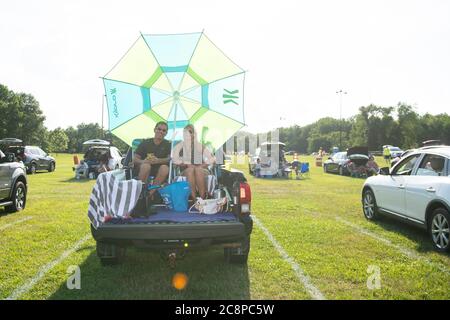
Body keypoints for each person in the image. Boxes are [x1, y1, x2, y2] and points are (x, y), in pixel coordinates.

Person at [172, 124, 215, 200]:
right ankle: (194, 199)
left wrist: (201, 166)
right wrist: (184, 163)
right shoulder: (180, 146)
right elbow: (174, 160)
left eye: (190, 132)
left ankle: (202, 199)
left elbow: (212, 158)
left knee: (198, 170)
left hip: (201, 169)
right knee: (190, 170)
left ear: (194, 134)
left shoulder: (199, 145)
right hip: (186, 171)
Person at [133, 121, 171, 196]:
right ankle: (139, 192)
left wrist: (158, 161)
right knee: (146, 166)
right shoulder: (145, 142)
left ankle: (150, 193)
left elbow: (169, 158)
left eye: (164, 130)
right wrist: (144, 161)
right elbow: (135, 159)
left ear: (166, 133)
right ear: (154, 130)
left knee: (165, 168)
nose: (161, 131)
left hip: (159, 170)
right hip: (144, 169)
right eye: (159, 129)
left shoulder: (168, 144)